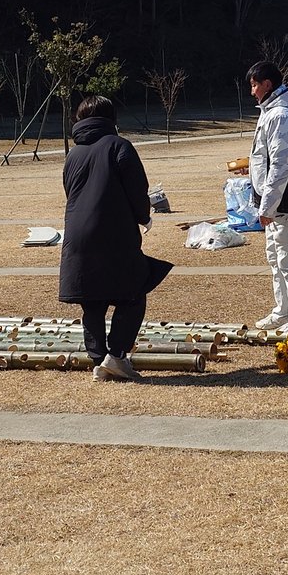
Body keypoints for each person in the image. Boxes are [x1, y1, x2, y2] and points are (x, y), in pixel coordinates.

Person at [58, 95, 172, 382]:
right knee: (133, 290)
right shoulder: (119, 146)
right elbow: (137, 188)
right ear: (111, 119)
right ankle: (117, 355)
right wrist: (143, 217)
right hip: (114, 230)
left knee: (91, 299)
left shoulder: (73, 154)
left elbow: (70, 191)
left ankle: (98, 360)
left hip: (77, 232)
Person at [247, 60, 288, 334]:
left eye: (254, 85)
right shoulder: (271, 112)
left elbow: (280, 165)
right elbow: (265, 159)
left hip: (286, 203)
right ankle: (282, 311)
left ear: (267, 84)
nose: (252, 91)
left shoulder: (282, 115)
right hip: (275, 204)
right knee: (276, 260)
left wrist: (268, 205)